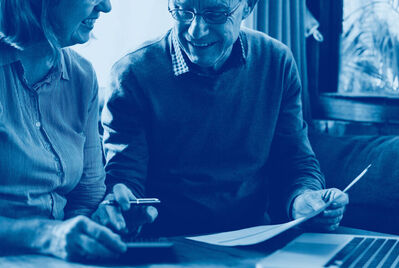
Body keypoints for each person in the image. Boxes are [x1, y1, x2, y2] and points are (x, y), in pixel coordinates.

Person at [100, 0, 349, 236]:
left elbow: (295, 160)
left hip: (256, 239)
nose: (196, 30)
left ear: (248, 7)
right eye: (183, 11)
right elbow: (125, 175)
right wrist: (124, 204)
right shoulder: (133, 72)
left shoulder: (276, 61)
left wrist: (304, 199)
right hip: (168, 242)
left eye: (216, 13)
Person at [0, 0, 140, 261]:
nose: (106, 7)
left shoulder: (82, 75)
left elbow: (86, 197)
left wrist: (102, 218)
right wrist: (46, 236)